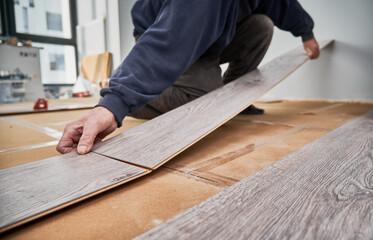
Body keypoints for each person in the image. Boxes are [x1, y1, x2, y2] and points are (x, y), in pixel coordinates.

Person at [57, 0, 320, 155]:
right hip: (163, 32)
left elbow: (282, 4)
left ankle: (234, 98)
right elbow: (168, 42)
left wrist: (306, 32)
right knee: (204, 101)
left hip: (212, 35)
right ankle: (134, 91)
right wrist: (115, 104)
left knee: (262, 25)